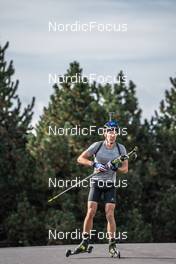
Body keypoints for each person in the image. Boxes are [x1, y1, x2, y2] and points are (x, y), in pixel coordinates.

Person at [75, 120, 128, 255]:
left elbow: (125, 169)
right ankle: (85, 242)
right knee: (91, 211)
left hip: (110, 184)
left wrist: (117, 168)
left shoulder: (120, 148)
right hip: (96, 183)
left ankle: (112, 245)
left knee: (109, 213)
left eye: (115, 132)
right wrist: (94, 164)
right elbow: (80, 159)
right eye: (110, 132)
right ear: (105, 133)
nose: (112, 135)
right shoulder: (97, 146)